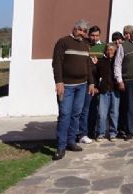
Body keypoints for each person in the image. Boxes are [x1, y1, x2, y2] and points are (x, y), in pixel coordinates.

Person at [51, 19, 96, 160]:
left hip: (82, 85)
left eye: (84, 31)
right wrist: (59, 82)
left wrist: (91, 83)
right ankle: (61, 146)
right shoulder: (63, 42)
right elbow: (56, 63)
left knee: (76, 114)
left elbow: (88, 65)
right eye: (80, 30)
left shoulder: (85, 45)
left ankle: (71, 142)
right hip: (67, 86)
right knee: (65, 114)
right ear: (74, 28)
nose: (82, 33)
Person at [77, 25, 104, 144]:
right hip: (85, 81)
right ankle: (82, 132)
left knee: (93, 109)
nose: (94, 37)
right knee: (83, 109)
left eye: (97, 35)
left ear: (100, 35)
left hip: (96, 83)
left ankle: (91, 131)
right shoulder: (85, 45)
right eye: (92, 35)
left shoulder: (103, 46)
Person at [95, 42, 119, 141]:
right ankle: (101, 133)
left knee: (114, 113)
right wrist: (96, 86)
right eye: (108, 50)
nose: (109, 52)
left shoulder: (117, 61)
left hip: (115, 90)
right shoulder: (100, 61)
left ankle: (113, 133)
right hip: (103, 90)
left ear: (115, 51)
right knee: (102, 113)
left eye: (112, 50)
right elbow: (96, 75)